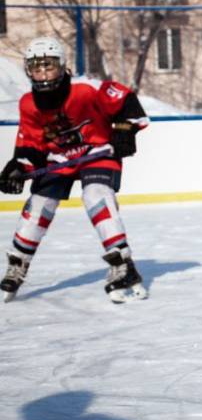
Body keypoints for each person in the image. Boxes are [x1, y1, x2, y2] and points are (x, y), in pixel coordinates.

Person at [0, 37, 149, 303]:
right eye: (37, 68)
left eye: (49, 66)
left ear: (62, 66)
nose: (43, 74)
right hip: (58, 159)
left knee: (96, 195)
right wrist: (18, 168)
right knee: (39, 204)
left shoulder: (86, 88)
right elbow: (31, 146)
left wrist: (126, 130)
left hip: (96, 153)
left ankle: (122, 263)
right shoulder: (28, 103)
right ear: (28, 70)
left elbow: (126, 101)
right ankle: (18, 262)